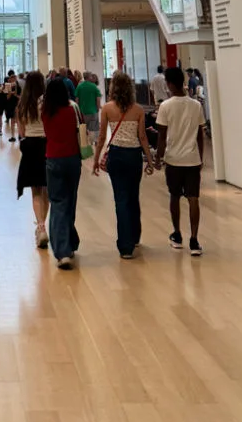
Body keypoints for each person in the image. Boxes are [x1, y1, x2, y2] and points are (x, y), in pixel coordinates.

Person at [92, 71, 154, 259]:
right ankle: (135, 236)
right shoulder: (138, 110)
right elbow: (142, 137)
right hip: (134, 155)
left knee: (121, 199)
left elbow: (102, 136)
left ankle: (125, 246)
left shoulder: (107, 109)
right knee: (133, 196)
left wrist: (95, 159)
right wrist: (150, 160)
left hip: (116, 155)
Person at [155, 65, 205, 257]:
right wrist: (201, 157)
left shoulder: (166, 106)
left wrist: (158, 159)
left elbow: (161, 136)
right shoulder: (196, 105)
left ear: (169, 83)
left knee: (174, 196)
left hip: (173, 159)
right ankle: (194, 239)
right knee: (193, 198)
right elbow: (200, 135)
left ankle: (177, 234)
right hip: (192, 159)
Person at [42, 76, 82, 269]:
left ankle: (63, 250)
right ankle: (70, 242)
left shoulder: (46, 112)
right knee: (70, 200)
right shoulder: (72, 110)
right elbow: (79, 130)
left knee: (58, 203)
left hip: (53, 158)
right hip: (73, 158)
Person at [16, 70, 48, 249]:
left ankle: (41, 226)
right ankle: (44, 225)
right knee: (47, 189)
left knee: (35, 191)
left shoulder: (22, 105)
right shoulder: (47, 104)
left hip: (30, 146)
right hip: (47, 145)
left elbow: (21, 132)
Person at [75, 72, 102, 136]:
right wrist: (98, 108)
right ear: (89, 77)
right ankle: (93, 143)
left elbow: (77, 99)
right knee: (93, 130)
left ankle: (85, 144)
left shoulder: (79, 86)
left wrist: (78, 110)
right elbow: (98, 99)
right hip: (93, 112)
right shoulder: (94, 86)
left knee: (84, 130)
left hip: (83, 112)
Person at [4, 70, 20, 141]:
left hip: (16, 105)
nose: (12, 80)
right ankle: (13, 136)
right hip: (10, 105)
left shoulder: (18, 87)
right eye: (11, 79)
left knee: (17, 120)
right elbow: (7, 98)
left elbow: (20, 97)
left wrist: (15, 94)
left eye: (14, 79)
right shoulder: (7, 87)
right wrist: (10, 93)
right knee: (12, 121)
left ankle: (20, 135)